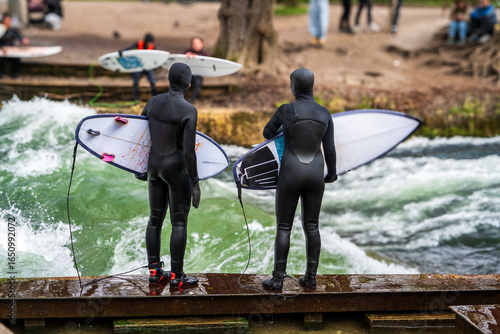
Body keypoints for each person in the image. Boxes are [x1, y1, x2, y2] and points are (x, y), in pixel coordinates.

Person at [261, 68, 337, 290]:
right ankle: (311, 278)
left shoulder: (286, 110)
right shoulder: (325, 114)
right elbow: (330, 149)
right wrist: (331, 173)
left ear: (294, 86)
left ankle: (277, 280)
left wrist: (285, 130)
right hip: (315, 173)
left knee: (284, 227)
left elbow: (267, 133)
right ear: (312, 86)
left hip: (291, 171)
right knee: (312, 226)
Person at [140, 62, 201, 287]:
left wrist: (140, 167)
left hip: (154, 166)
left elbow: (138, 135)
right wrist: (194, 181)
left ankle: (154, 272)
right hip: (176, 168)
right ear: (188, 83)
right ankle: (177, 276)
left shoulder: (153, 102)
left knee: (154, 220)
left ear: (169, 80)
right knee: (179, 223)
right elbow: (188, 151)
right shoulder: (189, 110)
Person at [121, 33, 158, 102]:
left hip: (147, 66)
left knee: (152, 81)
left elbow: (155, 57)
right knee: (135, 82)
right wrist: (122, 52)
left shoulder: (153, 47)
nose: (150, 44)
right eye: (149, 42)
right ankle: (136, 99)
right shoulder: (139, 44)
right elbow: (130, 48)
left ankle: (155, 98)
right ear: (146, 41)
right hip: (138, 66)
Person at [0, 12, 29, 79]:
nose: (9, 23)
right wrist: (1, 47)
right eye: (7, 21)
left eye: (10, 21)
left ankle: (14, 73)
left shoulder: (13, 30)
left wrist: (23, 40)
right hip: (2, 50)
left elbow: (19, 37)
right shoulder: (1, 30)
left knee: (17, 58)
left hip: (11, 49)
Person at [184, 36, 208, 103]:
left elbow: (207, 64)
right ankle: (181, 99)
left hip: (198, 75)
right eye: (193, 44)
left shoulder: (204, 54)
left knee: (198, 82)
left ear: (202, 44)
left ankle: (191, 100)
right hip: (188, 74)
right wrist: (186, 56)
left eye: (197, 44)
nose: (195, 46)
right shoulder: (188, 52)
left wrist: (199, 58)